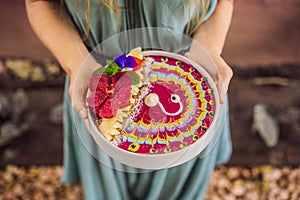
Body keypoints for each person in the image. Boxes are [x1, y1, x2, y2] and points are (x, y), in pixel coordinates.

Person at [25, 0, 234, 199]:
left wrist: (208, 48)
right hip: (97, 87)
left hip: (190, 80)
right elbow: (39, 2)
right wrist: (77, 64)